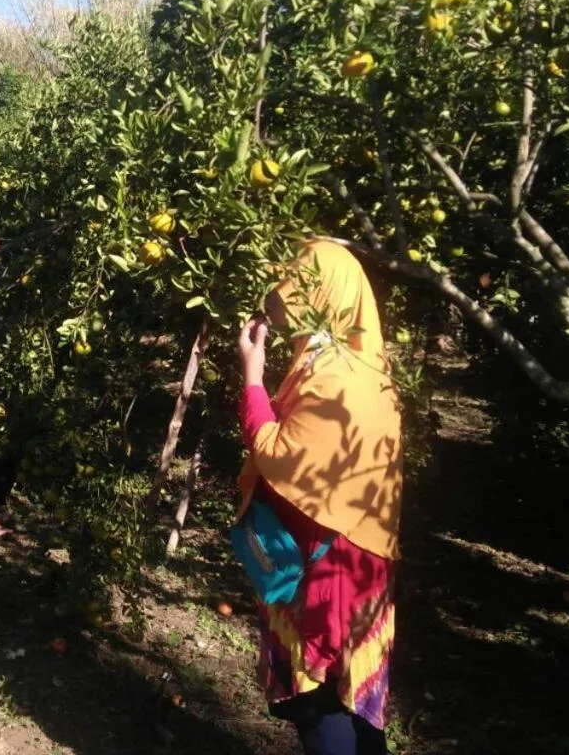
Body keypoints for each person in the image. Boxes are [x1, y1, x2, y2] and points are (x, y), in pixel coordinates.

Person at [235, 240, 403, 755]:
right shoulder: (367, 369)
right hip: (361, 560)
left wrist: (252, 378)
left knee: (318, 702)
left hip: (320, 566)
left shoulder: (334, 379)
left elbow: (277, 453)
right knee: (354, 702)